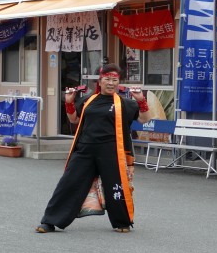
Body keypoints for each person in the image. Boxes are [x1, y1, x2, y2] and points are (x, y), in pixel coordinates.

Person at [37, 64, 151, 234]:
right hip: (85, 150)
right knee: (68, 183)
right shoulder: (88, 100)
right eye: (107, 79)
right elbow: (74, 119)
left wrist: (141, 100)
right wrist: (69, 103)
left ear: (118, 82)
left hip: (112, 151)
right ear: (100, 80)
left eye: (115, 80)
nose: (111, 83)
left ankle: (122, 222)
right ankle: (50, 221)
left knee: (116, 187)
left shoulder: (125, 103)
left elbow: (144, 120)